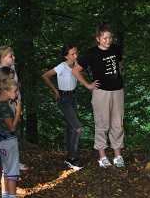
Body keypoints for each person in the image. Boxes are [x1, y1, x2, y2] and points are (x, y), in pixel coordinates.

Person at [72, 21, 125, 168]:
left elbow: (120, 62)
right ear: (98, 38)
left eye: (110, 37)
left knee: (117, 124)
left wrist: (117, 76)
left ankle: (118, 156)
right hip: (101, 93)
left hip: (117, 91)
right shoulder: (91, 53)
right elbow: (76, 70)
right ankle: (103, 157)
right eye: (105, 38)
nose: (108, 41)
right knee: (102, 124)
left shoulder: (115, 48)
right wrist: (88, 85)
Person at [42, 42, 83, 170]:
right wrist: (55, 91)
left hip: (73, 97)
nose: (75, 56)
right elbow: (45, 76)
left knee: (71, 128)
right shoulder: (62, 66)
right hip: (64, 99)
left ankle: (70, 156)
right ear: (66, 56)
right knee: (77, 127)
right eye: (72, 54)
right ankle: (72, 158)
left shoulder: (76, 65)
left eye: (76, 53)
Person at [0, 78, 25, 198]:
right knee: (12, 172)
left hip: (1, 140)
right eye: (15, 91)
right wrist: (18, 112)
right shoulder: (4, 107)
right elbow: (12, 127)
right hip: (9, 141)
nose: (17, 94)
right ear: (5, 91)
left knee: (5, 171)